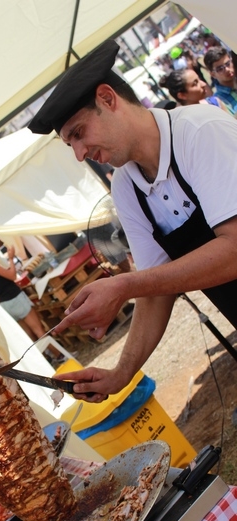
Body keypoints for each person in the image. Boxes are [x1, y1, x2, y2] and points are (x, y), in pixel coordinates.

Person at [28, 38, 237, 403]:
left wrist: (125, 285)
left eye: (78, 134)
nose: (79, 154)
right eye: (70, 145)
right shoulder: (126, 185)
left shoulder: (200, 131)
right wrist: (121, 373)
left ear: (108, 99)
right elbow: (157, 289)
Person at [159, 69, 229, 111]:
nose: (203, 84)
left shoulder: (214, 103)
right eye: (195, 83)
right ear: (182, 95)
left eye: (199, 79)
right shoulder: (184, 125)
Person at [203, 46, 237, 115]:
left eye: (228, 63)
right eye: (220, 69)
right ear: (213, 74)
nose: (227, 69)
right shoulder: (218, 101)